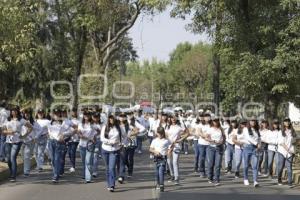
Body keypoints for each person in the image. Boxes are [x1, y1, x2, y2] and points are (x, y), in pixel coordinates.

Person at [2, 107, 32, 182]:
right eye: (12, 111)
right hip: (8, 141)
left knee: (13, 157)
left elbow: (30, 127)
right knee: (8, 160)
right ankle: (12, 172)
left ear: (17, 112)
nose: (13, 112)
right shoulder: (7, 120)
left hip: (17, 141)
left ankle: (13, 176)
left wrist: (24, 135)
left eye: (15, 111)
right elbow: (3, 131)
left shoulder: (21, 120)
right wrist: (8, 132)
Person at [101, 115, 122, 192]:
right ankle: (109, 183)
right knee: (107, 168)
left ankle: (112, 185)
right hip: (105, 149)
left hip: (114, 150)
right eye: (110, 119)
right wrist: (110, 142)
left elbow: (124, 136)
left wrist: (122, 143)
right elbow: (102, 138)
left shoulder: (118, 128)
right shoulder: (105, 127)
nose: (111, 120)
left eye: (112, 118)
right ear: (108, 120)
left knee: (112, 167)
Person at [204, 118, 225, 186]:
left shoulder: (221, 129)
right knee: (211, 164)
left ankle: (217, 179)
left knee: (218, 165)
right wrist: (212, 141)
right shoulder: (210, 129)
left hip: (219, 148)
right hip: (211, 148)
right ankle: (210, 177)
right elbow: (206, 137)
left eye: (217, 121)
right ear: (212, 122)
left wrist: (222, 141)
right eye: (214, 121)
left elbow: (224, 137)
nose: (215, 122)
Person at [150, 126, 171, 192]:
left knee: (161, 171)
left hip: (163, 158)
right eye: (159, 133)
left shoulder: (166, 141)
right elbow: (150, 149)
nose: (160, 135)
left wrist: (168, 152)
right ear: (157, 133)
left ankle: (162, 185)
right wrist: (155, 152)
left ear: (163, 133)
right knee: (157, 173)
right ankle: (158, 184)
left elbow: (171, 146)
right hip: (156, 158)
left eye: (161, 133)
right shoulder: (154, 140)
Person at [165, 114, 185, 185]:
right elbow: (166, 136)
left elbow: (187, 133)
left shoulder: (179, 127)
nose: (173, 119)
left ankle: (177, 178)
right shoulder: (167, 126)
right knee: (169, 162)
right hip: (168, 146)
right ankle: (172, 175)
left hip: (177, 146)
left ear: (176, 118)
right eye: (171, 117)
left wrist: (180, 139)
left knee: (175, 162)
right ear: (169, 118)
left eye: (174, 117)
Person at [277, 118, 297, 187]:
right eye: (285, 121)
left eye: (288, 121)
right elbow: (281, 143)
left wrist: (293, 148)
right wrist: (288, 150)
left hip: (290, 152)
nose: (287, 123)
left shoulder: (292, 131)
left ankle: (290, 182)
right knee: (280, 167)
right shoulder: (280, 132)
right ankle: (279, 179)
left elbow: (296, 140)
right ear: (283, 123)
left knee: (289, 167)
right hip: (282, 151)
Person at [20, 109, 40, 177]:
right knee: (23, 156)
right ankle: (26, 169)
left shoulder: (34, 122)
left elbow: (40, 130)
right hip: (22, 141)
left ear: (30, 114)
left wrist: (35, 137)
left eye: (28, 113)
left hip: (30, 141)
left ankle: (26, 171)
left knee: (27, 156)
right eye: (25, 113)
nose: (27, 114)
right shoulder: (21, 122)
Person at [78, 111, 96, 183]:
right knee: (84, 161)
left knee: (88, 161)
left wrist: (94, 140)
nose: (86, 116)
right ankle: (84, 174)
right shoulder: (80, 124)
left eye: (88, 115)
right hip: (82, 145)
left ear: (90, 116)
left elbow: (94, 135)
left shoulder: (93, 125)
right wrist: (88, 138)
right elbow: (80, 134)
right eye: (85, 115)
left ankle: (88, 178)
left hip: (90, 145)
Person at [242, 118, 261, 187]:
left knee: (255, 165)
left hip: (255, 149)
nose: (253, 122)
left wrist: (259, 145)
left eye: (254, 121)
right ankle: (245, 178)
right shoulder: (245, 129)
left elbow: (259, 138)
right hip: (247, 148)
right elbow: (248, 138)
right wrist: (257, 143)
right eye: (252, 121)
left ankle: (255, 181)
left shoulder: (257, 130)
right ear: (249, 122)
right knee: (246, 165)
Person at [198, 113, 211, 178]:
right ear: (204, 118)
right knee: (202, 158)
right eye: (206, 117)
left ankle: (209, 172)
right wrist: (205, 136)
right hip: (202, 144)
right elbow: (199, 132)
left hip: (209, 144)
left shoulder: (211, 125)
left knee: (209, 159)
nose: (207, 118)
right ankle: (202, 171)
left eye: (209, 117)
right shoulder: (201, 125)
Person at [68, 108, 80, 173]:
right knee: (69, 153)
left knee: (73, 152)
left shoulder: (79, 121)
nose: (73, 113)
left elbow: (78, 129)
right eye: (72, 112)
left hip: (75, 139)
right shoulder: (68, 120)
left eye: (75, 112)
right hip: (69, 139)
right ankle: (72, 165)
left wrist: (73, 132)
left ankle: (73, 166)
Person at [91, 112, 103, 178]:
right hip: (90, 142)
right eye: (94, 117)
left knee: (95, 156)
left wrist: (99, 131)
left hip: (98, 142)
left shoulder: (101, 124)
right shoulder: (90, 124)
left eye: (97, 117)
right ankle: (89, 170)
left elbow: (104, 132)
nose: (95, 119)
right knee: (90, 157)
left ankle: (94, 171)